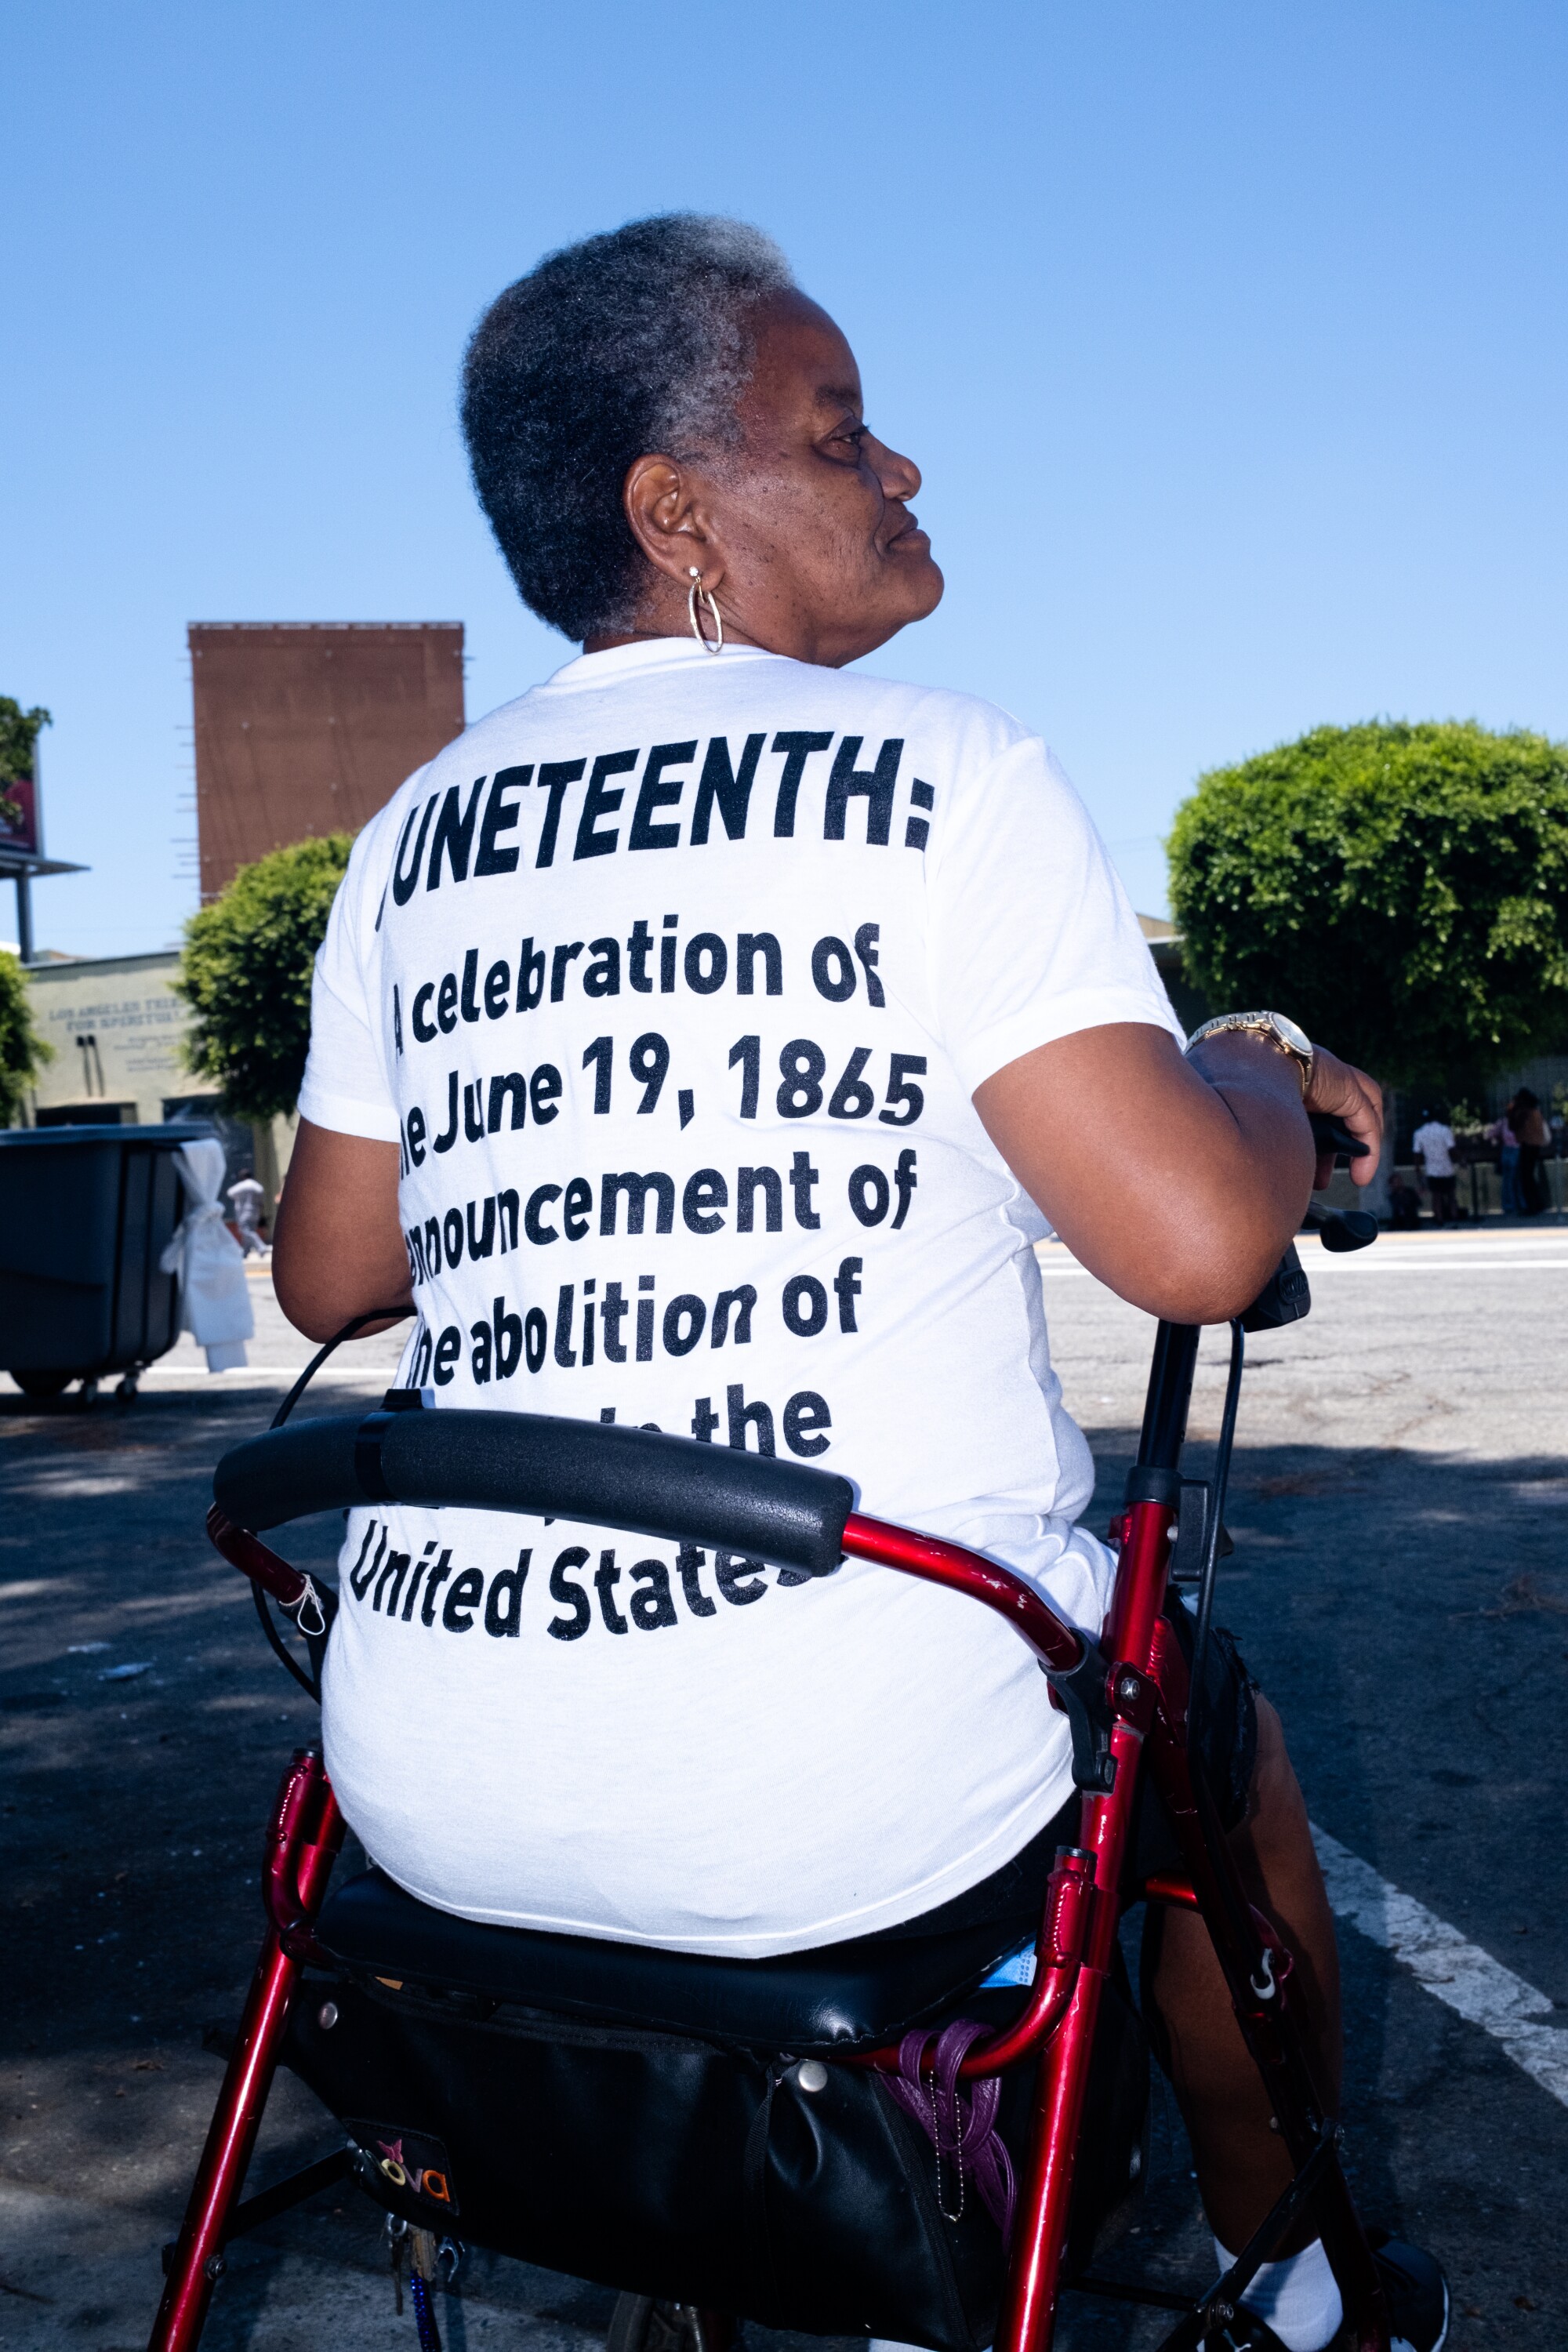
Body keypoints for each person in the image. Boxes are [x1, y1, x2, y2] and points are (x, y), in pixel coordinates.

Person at [272, 217, 1443, 2352]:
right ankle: (1292, 2277)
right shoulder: (947, 769)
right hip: (832, 1805)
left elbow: (332, 1272)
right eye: (845, 436)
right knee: (1202, 1749)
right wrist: (1255, 1075)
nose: (904, 473)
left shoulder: (413, 829)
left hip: (433, 1787)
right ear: (676, 515)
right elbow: (1193, 1237)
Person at [1411, 1108, 1458, 1226]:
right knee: (1451, 1194)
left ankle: (1439, 1218)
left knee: (1436, 1195)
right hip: (1446, 1167)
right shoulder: (1445, 1130)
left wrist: (1417, 1169)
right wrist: (1460, 1160)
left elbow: (1417, 1152)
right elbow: (1451, 1148)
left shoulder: (1419, 1133)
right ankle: (1454, 1218)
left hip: (1432, 1169)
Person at [1511, 1087, 1550, 1216]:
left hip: (1528, 1145)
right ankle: (1537, 1203)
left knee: (1526, 1177)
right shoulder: (1536, 1112)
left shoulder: (1525, 1112)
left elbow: (1513, 1126)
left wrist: (1512, 1109)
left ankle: (1531, 1206)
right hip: (1535, 1145)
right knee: (1530, 1176)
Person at [226, 1167, 269, 1256]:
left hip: (244, 1212)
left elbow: (230, 1193)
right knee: (250, 1231)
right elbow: (261, 1201)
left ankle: (261, 1247)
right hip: (255, 1211)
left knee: (245, 1230)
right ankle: (245, 1252)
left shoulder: (243, 1185)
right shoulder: (258, 1186)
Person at [1486, 1107, 1522, 1214]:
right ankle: (1520, 1204)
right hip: (1517, 1151)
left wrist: (1498, 1138)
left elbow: (1490, 1134)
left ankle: (1509, 1205)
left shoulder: (1503, 1122)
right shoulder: (1519, 1121)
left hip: (1507, 1151)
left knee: (1508, 1181)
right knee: (1518, 1180)